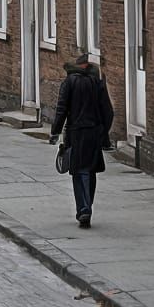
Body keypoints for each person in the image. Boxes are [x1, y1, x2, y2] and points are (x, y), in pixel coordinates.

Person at [50, 53, 115, 228]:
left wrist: (55, 132)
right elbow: (108, 111)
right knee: (90, 171)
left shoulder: (69, 82)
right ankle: (87, 207)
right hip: (94, 133)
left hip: (76, 133)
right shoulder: (97, 83)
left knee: (79, 172)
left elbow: (61, 109)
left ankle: (84, 209)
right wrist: (103, 133)